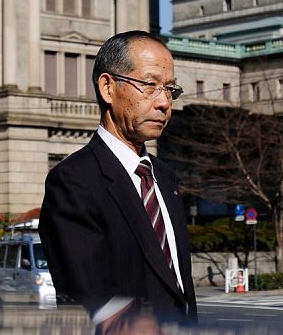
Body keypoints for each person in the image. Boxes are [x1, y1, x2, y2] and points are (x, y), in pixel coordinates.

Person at [39, 31, 197, 332]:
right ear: (108, 87)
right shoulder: (73, 181)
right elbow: (91, 298)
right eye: (150, 85)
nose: (164, 102)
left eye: (170, 90)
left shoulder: (164, 177)